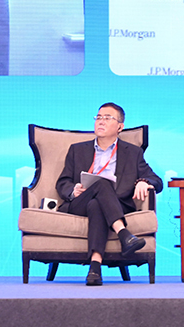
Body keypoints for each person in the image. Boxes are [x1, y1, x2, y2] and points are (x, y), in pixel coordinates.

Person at [56, 103, 163, 286]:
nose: (101, 121)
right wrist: (73, 190)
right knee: (101, 184)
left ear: (120, 127)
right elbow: (62, 182)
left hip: (114, 205)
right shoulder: (77, 150)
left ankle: (95, 268)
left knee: (97, 204)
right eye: (98, 117)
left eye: (107, 118)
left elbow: (157, 181)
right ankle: (123, 233)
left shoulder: (133, 153)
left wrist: (144, 181)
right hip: (80, 203)